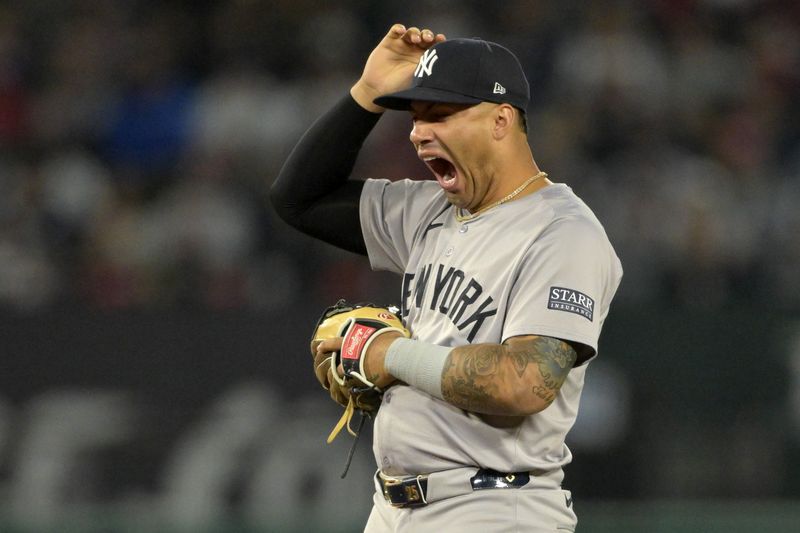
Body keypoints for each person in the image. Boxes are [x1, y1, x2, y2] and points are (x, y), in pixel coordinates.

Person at [271, 23, 623, 533]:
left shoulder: (563, 233)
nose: (417, 132)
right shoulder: (430, 210)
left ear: (501, 120)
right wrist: (366, 94)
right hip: (393, 507)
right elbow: (297, 200)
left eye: (440, 114)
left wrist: (388, 354)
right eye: (416, 116)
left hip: (495, 507)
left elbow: (523, 382)